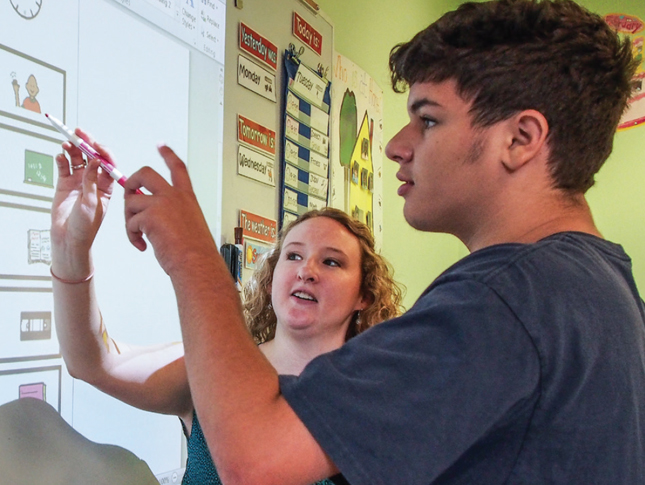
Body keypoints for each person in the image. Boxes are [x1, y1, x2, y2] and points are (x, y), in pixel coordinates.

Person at [69, 0, 645, 484]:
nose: (397, 145)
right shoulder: (594, 281)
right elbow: (96, 361)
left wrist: (193, 254)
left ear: (520, 139)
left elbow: (256, 461)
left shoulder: (504, 298)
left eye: (429, 120)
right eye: (293, 254)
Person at [50, 137, 403, 485]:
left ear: (364, 296)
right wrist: (71, 249)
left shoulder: (374, 396)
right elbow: (93, 362)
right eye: (293, 255)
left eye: (331, 261)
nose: (306, 270)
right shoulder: (211, 366)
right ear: (270, 281)